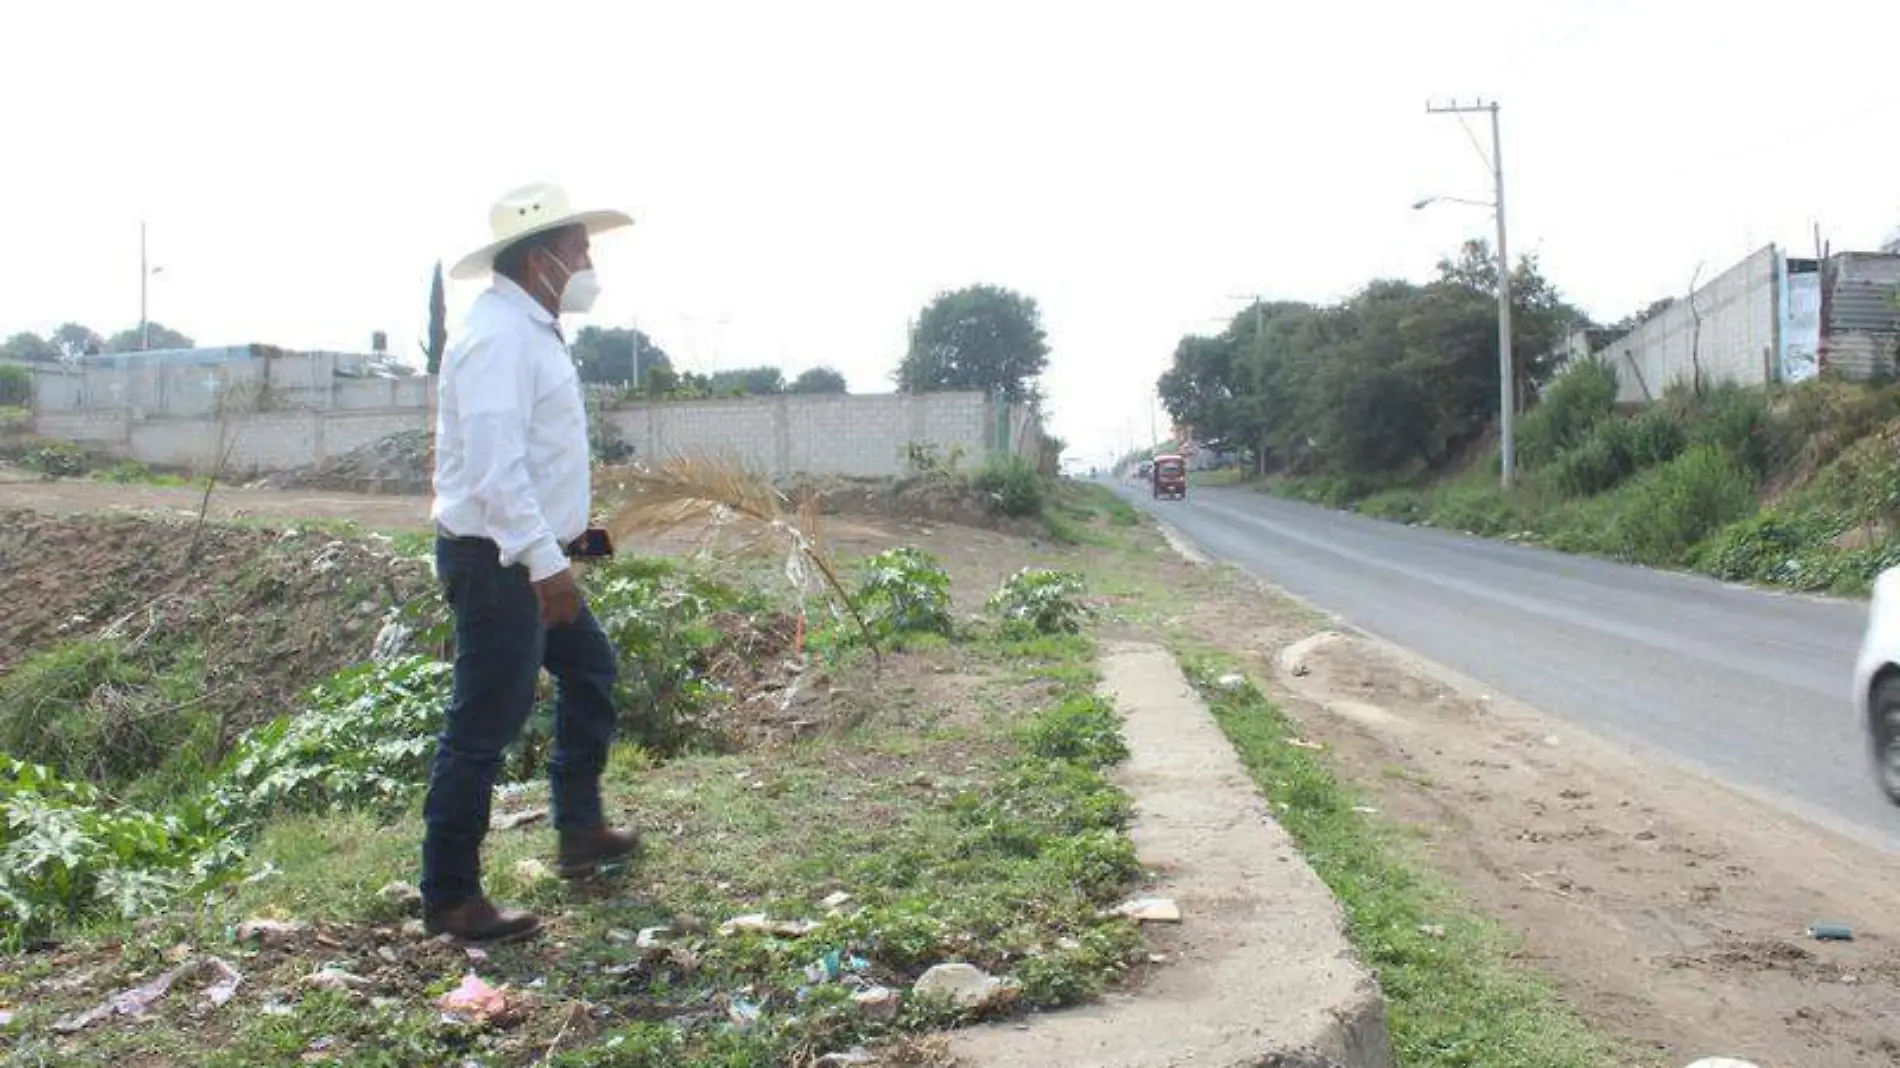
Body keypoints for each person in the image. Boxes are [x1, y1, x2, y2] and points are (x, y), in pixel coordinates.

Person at [421, 182, 640, 942]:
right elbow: (494, 470)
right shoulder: (498, 339)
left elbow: (538, 461)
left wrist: (577, 539)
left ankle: (579, 829)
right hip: (501, 564)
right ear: (542, 259)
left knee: (591, 671)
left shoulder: (531, 329)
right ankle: (450, 896)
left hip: (530, 552)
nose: (588, 262)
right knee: (483, 725)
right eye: (580, 250)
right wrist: (548, 567)